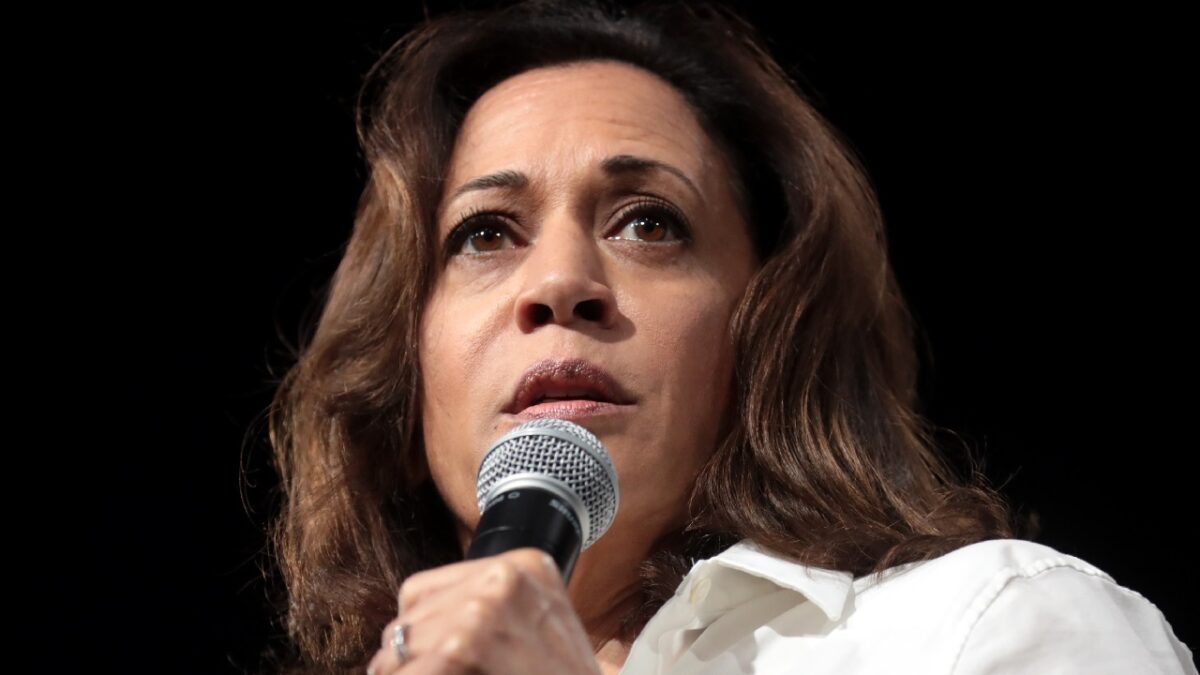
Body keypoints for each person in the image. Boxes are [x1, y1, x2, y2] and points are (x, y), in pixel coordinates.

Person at [265, 1, 1196, 673]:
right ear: (404, 357)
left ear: (766, 319)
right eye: (485, 233)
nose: (559, 285)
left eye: (648, 222)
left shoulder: (981, 624)